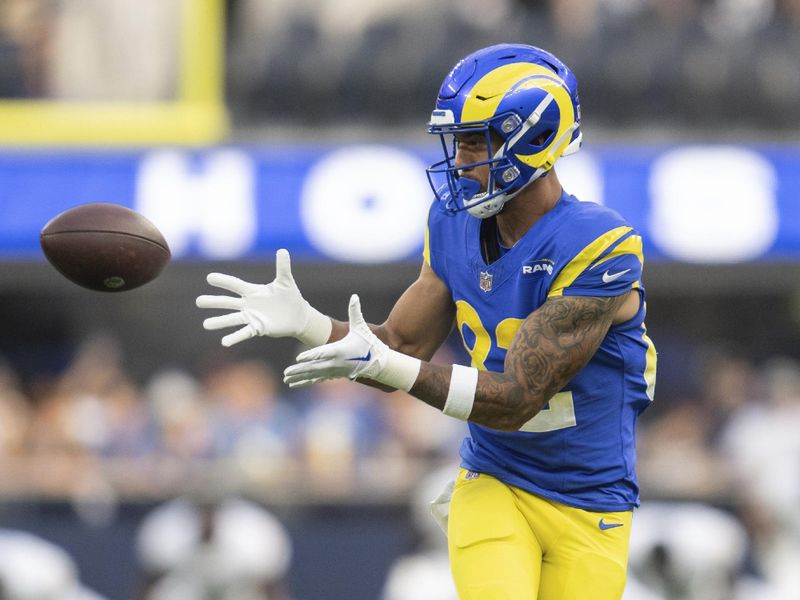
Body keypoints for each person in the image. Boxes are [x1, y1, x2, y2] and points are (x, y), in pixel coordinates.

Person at [197, 43, 657, 599]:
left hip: (593, 499)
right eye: (456, 141)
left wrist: (386, 364)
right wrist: (311, 326)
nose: (460, 161)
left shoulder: (599, 243)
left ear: (534, 136)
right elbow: (396, 345)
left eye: (474, 141)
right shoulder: (452, 221)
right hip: (497, 482)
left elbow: (516, 398)